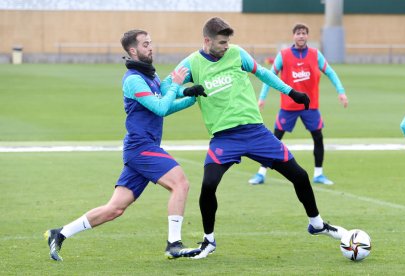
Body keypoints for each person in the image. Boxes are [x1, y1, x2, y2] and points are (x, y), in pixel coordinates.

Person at [163, 17, 347, 259]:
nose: (226, 46)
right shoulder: (192, 63)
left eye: (228, 41)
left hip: (256, 131)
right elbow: (167, 85)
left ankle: (317, 224)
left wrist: (291, 92)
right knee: (208, 185)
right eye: (221, 42)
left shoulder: (237, 54)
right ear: (207, 41)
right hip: (224, 137)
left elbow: (263, 74)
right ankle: (208, 241)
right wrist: (186, 89)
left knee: (299, 176)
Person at [44, 29, 207, 261]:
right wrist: (176, 85)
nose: (151, 47)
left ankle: (59, 233)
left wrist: (190, 96)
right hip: (141, 147)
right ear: (133, 50)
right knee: (180, 183)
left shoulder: (150, 76)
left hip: (141, 149)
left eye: (151, 42)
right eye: (146, 44)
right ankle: (174, 244)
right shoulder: (133, 80)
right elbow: (160, 106)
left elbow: (165, 108)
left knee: (115, 209)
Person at [249, 23, 348, 186]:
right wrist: (262, 97)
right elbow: (269, 75)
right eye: (298, 33)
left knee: (318, 137)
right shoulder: (284, 55)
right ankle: (261, 173)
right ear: (293, 36)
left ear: (307, 36)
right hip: (288, 107)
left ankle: (318, 174)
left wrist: (341, 91)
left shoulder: (316, 54)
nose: (301, 36)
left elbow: (330, 72)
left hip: (310, 106)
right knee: (274, 139)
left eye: (304, 33)